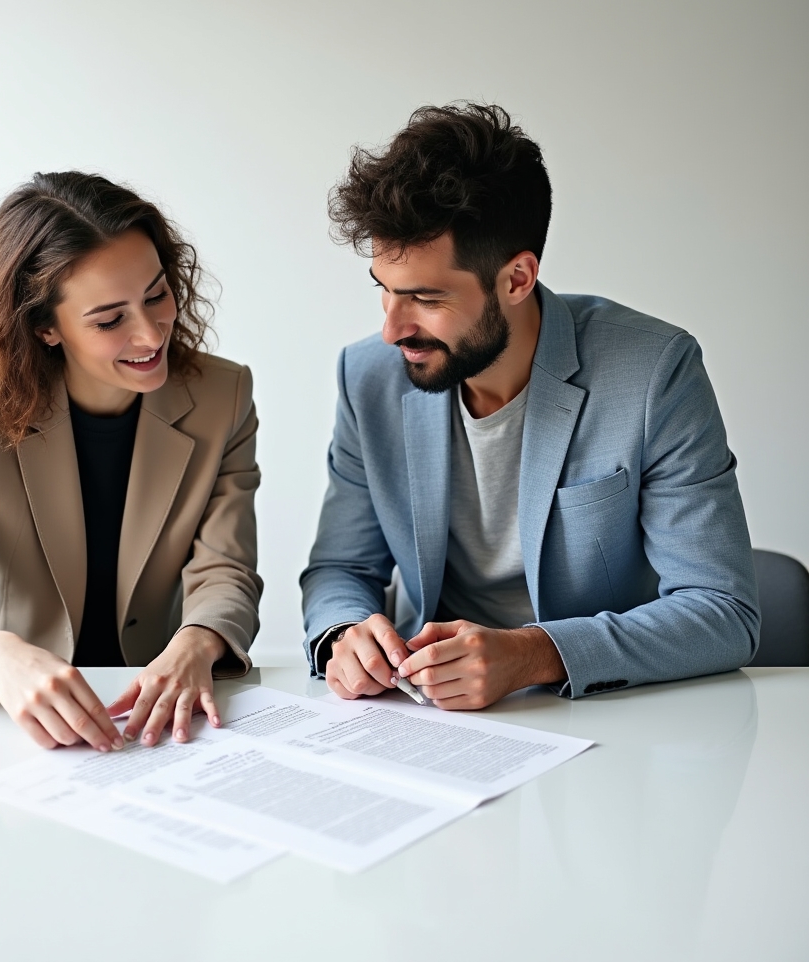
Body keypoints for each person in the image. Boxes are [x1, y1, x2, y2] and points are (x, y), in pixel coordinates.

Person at [302, 103, 759, 708]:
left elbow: (723, 610)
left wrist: (534, 654)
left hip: (606, 714)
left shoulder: (655, 371)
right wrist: (344, 634)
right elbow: (340, 567)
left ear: (517, 278)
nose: (392, 330)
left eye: (426, 299)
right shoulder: (368, 378)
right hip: (425, 716)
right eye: (384, 290)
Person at [0, 172, 261, 750]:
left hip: (150, 713)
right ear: (45, 327)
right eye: (110, 320)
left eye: (156, 295)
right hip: (7, 722)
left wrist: (196, 642)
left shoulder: (223, 396)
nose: (150, 334)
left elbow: (226, 569)